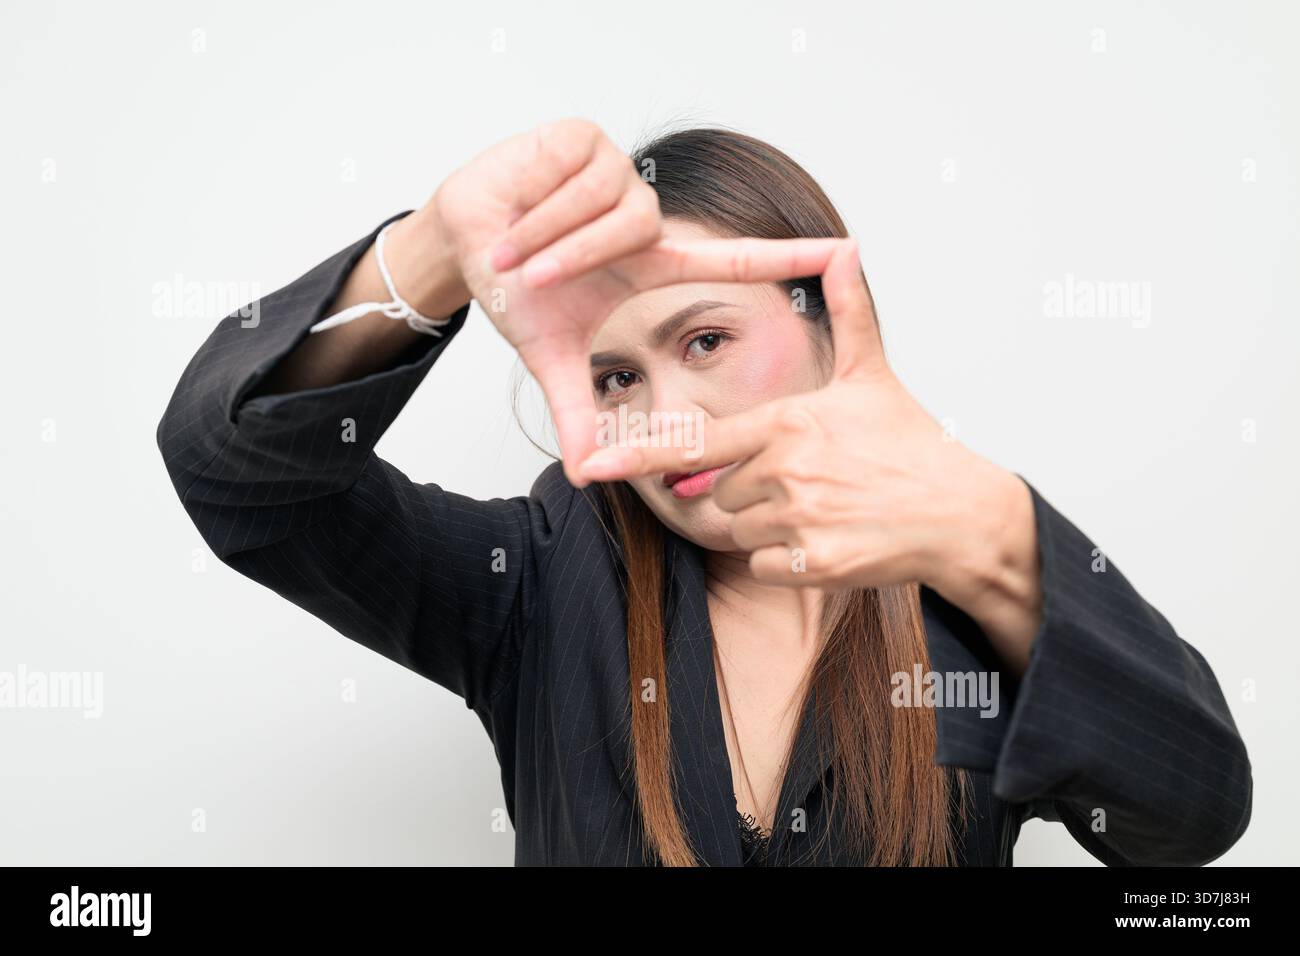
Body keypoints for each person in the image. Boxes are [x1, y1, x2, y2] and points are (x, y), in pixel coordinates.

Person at [156, 118, 1252, 866]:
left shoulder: (968, 598)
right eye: (615, 375)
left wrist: (990, 530)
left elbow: (1187, 819)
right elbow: (236, 476)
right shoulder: (535, 580)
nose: (663, 414)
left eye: (708, 338)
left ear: (831, 320)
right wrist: (434, 249)